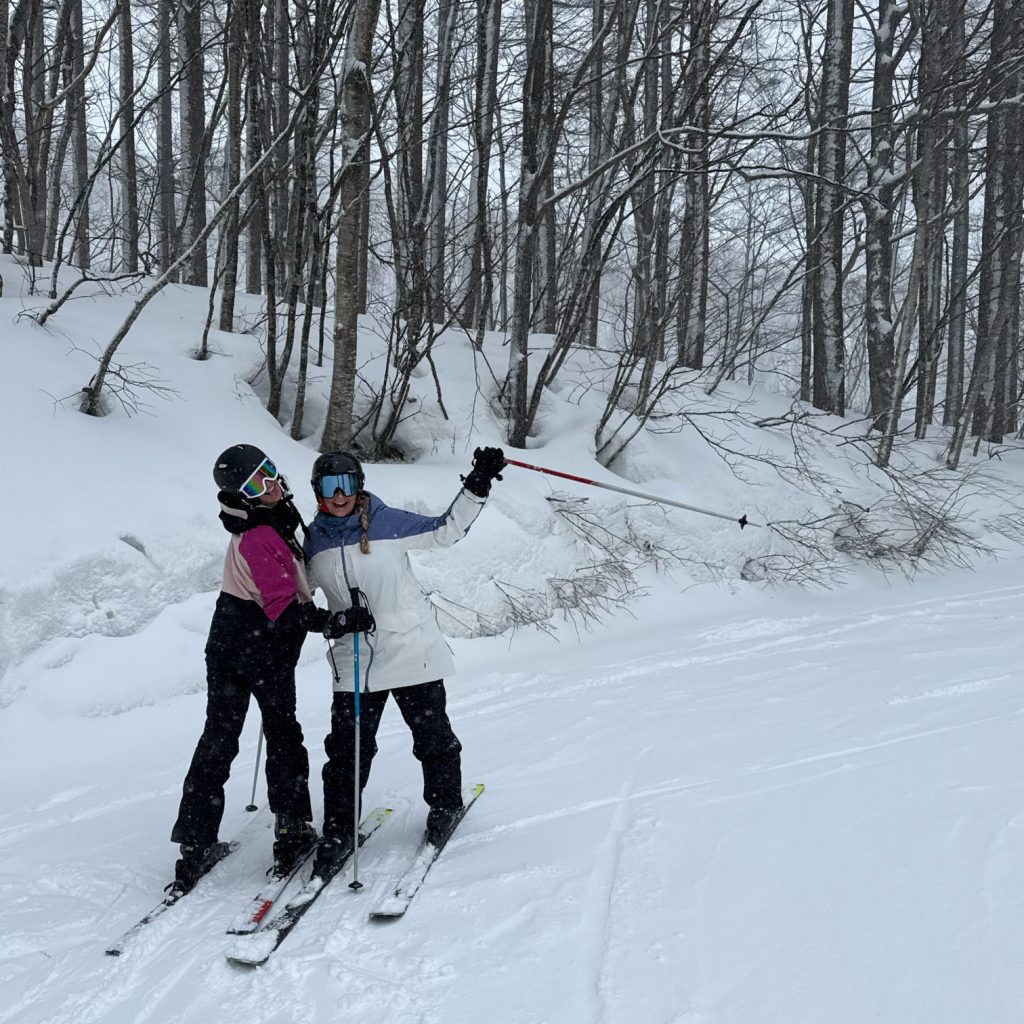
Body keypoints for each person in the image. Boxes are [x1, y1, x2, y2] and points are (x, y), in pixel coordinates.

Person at [303, 446, 506, 878]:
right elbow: (297, 598)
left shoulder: (388, 523)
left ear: (360, 486)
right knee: (346, 754)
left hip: (412, 650)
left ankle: (445, 805)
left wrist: (477, 483)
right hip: (354, 662)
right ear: (317, 492)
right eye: (328, 487)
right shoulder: (313, 541)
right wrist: (333, 621)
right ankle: (339, 832)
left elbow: (446, 530)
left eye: (348, 485)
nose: (339, 495)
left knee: (433, 739)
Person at [169, 444, 353, 894]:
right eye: (256, 483)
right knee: (282, 733)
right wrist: (336, 623)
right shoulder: (258, 534)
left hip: (228, 638)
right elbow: (285, 610)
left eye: (269, 472)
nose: (270, 484)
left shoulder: (259, 517)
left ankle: (194, 845)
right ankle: (291, 836)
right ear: (242, 495)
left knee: (219, 736)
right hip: (260, 642)